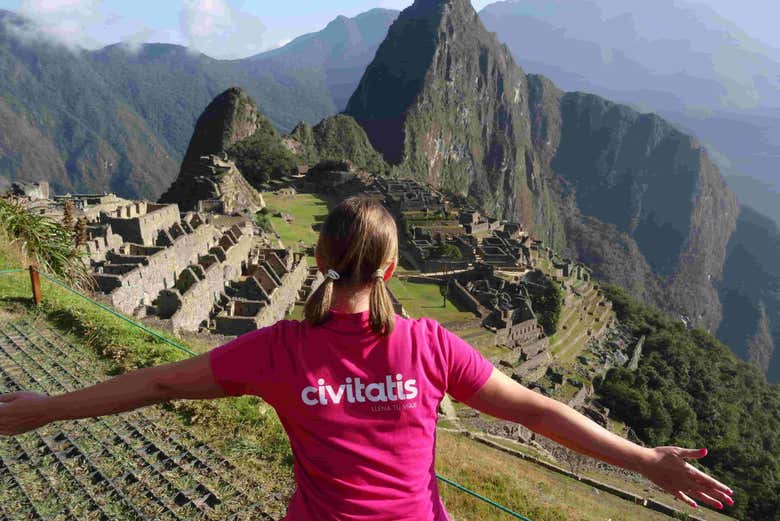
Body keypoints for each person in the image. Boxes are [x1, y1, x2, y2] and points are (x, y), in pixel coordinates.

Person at [0, 196, 733, 520]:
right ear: (389, 270)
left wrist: (46, 408)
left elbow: (161, 380)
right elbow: (539, 411)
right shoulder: (430, 346)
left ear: (319, 258)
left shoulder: (279, 350)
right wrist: (643, 460)